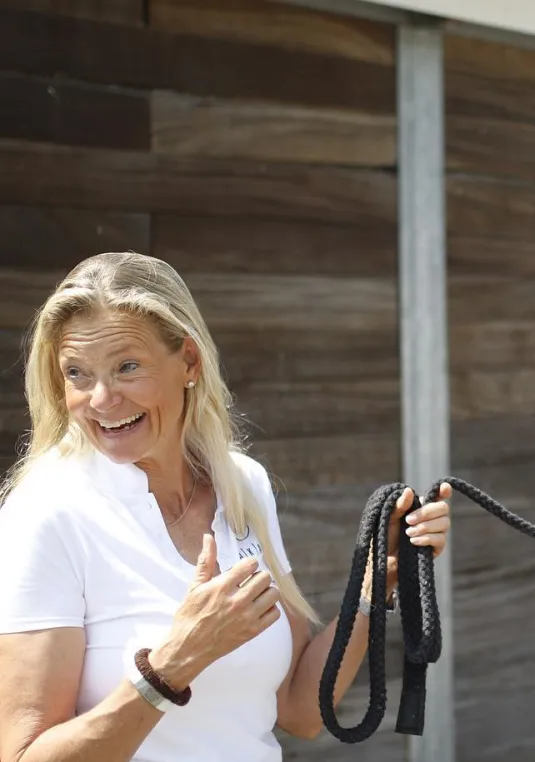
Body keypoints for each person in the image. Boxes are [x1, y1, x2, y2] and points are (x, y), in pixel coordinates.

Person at [0, 252, 453, 762]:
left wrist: (376, 583)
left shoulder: (243, 485)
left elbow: (300, 709)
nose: (102, 399)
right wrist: (174, 663)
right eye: (77, 374)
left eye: (127, 367)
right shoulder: (45, 512)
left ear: (189, 362)